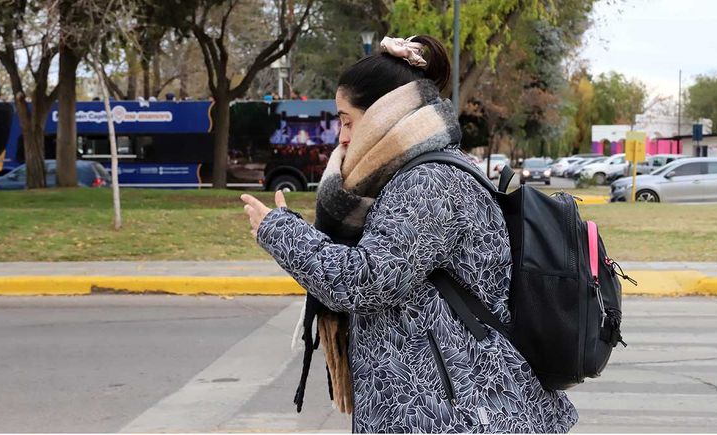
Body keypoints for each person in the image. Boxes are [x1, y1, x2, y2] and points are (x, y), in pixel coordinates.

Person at [241, 35, 577, 433]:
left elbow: (365, 280)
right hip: (432, 402)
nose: (342, 137)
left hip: (453, 411)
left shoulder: (428, 182)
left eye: (347, 120)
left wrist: (279, 231)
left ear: (385, 114)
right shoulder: (416, 175)